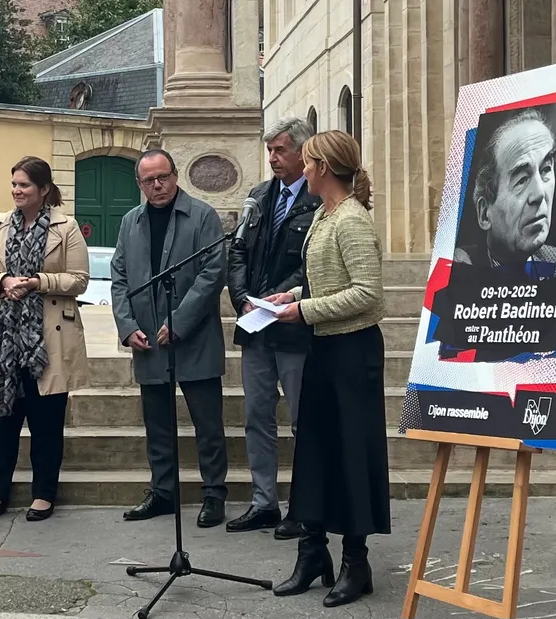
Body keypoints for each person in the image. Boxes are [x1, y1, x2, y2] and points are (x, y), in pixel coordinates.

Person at [265, 130, 390, 608]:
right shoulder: (323, 214)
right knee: (314, 450)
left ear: (323, 168)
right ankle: (311, 552)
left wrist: (307, 310)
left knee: (351, 454)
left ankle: (356, 563)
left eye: (309, 161)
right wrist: (291, 296)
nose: (303, 167)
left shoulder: (353, 221)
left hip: (353, 354)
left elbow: (368, 294)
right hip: (323, 348)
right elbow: (324, 277)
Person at [0, 156, 91, 523]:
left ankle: (44, 494)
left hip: (48, 338)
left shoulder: (65, 228)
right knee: (0, 419)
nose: (17, 191)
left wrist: (37, 282)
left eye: (25, 185)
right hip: (1, 338)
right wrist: (2, 282)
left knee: (46, 423)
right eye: (14, 184)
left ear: (44, 189)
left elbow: (80, 279)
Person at [110, 149, 229, 528]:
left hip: (194, 338)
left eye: (163, 177)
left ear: (176, 176)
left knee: (207, 424)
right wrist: (127, 327)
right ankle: (163, 492)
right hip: (147, 339)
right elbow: (119, 278)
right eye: (149, 180)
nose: (157, 186)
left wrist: (179, 322)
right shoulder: (131, 221)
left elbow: (213, 273)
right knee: (157, 425)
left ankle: (214, 494)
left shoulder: (202, 216)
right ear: (139, 184)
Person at [225, 117, 321, 539]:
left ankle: (304, 506)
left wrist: (278, 298)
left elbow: (312, 265)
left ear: (302, 152)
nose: (273, 158)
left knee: (303, 420)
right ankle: (264, 503)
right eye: (270, 151)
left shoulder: (318, 203)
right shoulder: (258, 196)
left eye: (280, 150)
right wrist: (243, 297)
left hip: (294, 327)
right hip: (256, 325)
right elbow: (237, 251)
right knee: (256, 416)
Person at [455, 107, 556, 278]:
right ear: (485, 213)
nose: (539, 194)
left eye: (545, 169)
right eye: (522, 180)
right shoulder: (460, 271)